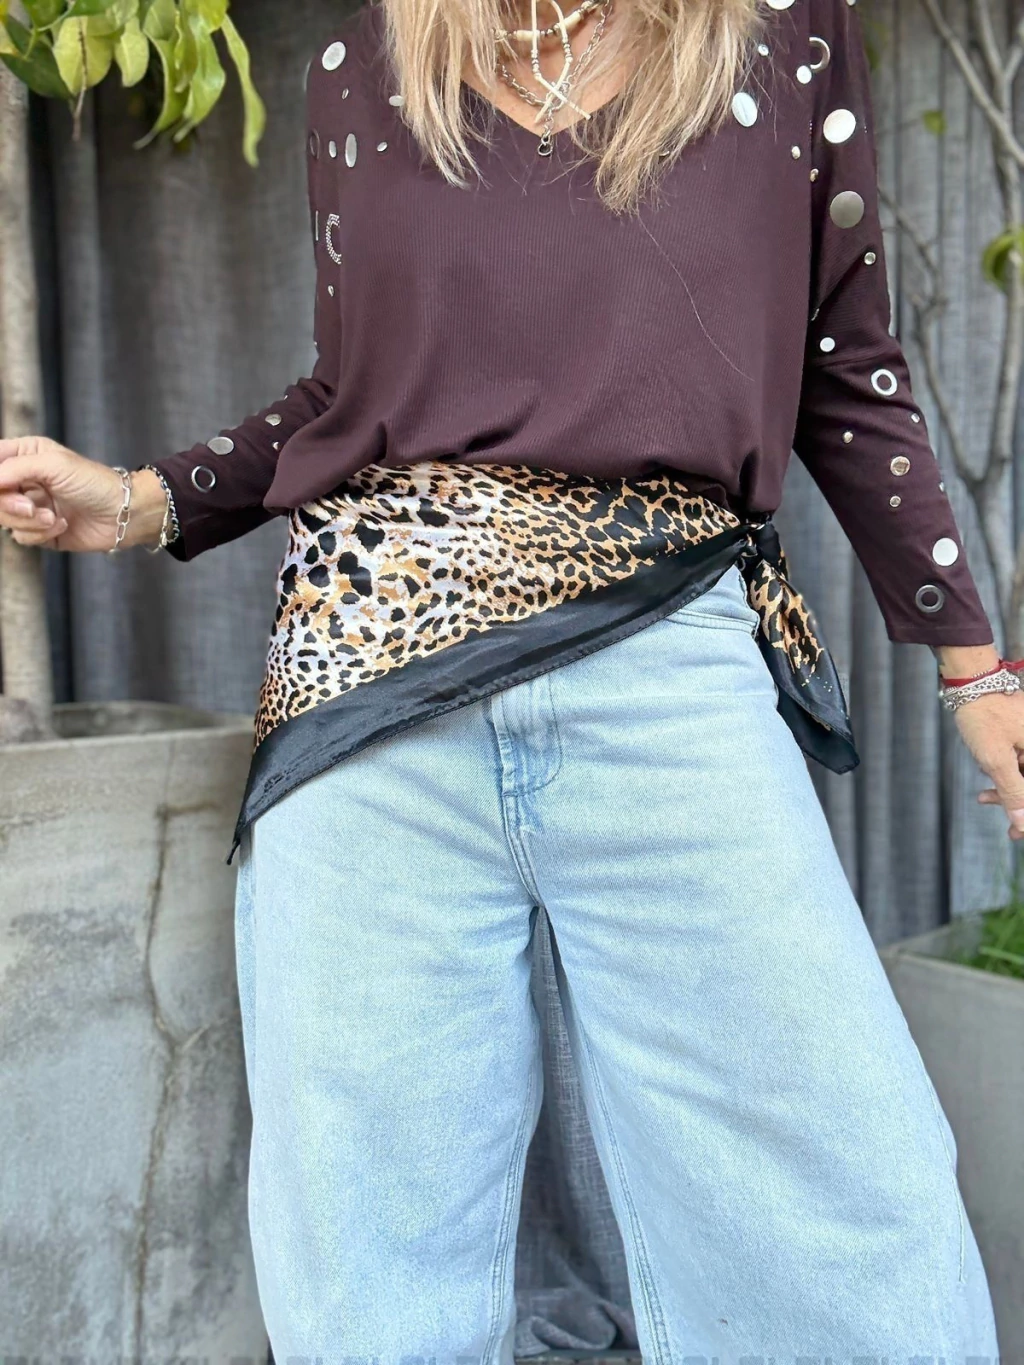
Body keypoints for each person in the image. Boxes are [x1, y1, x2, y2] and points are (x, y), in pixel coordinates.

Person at [1, 0, 1018, 1358]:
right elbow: (348, 399)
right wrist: (142, 501)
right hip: (361, 699)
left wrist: (973, 667)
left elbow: (847, 367)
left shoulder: (783, 36)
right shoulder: (365, 66)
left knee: (852, 1211)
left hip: (667, 669)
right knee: (369, 1261)